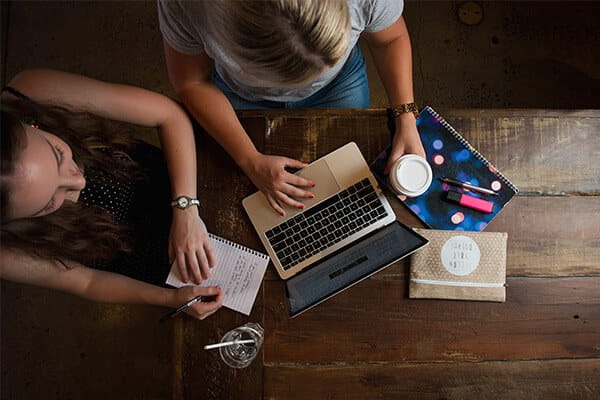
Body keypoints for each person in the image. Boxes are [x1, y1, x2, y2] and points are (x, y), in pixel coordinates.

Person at [158, 0, 426, 217]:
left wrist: (406, 116)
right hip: (235, 95)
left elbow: (390, 39)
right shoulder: (187, 6)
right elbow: (192, 81)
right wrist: (249, 160)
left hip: (338, 87)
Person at [1, 69, 223, 320]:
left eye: (59, 155)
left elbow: (169, 115)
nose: (79, 181)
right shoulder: (5, 249)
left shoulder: (31, 91)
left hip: (179, 177)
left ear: (28, 122)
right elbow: (87, 282)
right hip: (141, 256)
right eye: (50, 202)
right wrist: (170, 299)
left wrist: (185, 208)